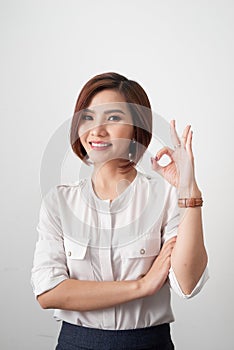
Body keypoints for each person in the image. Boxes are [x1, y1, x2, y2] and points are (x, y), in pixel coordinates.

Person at [31, 72, 209, 350]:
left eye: (113, 118)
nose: (97, 130)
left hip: (148, 343)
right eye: (88, 117)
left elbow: (187, 284)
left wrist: (188, 190)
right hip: (76, 343)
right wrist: (142, 286)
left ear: (137, 129)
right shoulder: (59, 202)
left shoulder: (165, 197)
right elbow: (48, 292)